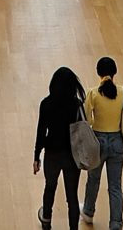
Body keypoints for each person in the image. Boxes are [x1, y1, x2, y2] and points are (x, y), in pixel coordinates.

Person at [34, 67, 86, 230]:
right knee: (72, 196)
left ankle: (47, 219)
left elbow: (41, 132)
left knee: (50, 187)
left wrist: (36, 156)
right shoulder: (77, 105)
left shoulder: (46, 104)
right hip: (72, 156)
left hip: (52, 153)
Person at [81, 56, 123, 230]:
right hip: (117, 142)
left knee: (93, 179)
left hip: (98, 141)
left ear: (98, 73)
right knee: (115, 185)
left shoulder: (93, 93)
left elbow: (86, 119)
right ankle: (116, 223)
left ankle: (88, 211)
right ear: (114, 73)